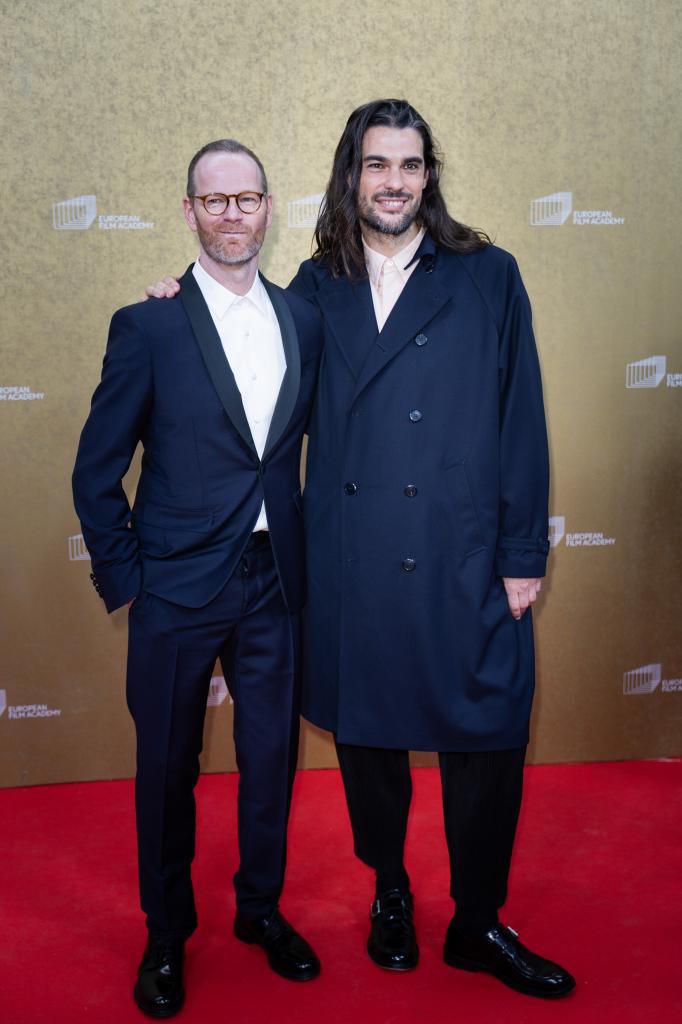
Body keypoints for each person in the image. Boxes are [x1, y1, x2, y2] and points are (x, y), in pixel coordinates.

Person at [146, 99, 575, 1000]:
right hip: (353, 557)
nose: (393, 182)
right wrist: (177, 304)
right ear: (352, 176)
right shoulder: (313, 286)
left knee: (488, 736)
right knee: (369, 738)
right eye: (376, 165)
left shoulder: (488, 275)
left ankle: (477, 920)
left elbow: (522, 420)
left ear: (430, 175)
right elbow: (241, 338)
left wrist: (522, 550)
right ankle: (390, 893)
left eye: (409, 165)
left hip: (463, 553)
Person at [73, 138, 322, 1019]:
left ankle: (260, 911)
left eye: (246, 198)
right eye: (213, 200)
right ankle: (167, 933)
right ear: (189, 211)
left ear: (266, 207)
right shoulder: (148, 324)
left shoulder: (303, 317)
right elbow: (94, 471)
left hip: (274, 585)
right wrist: (129, 579)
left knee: (270, 763)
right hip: (176, 589)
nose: (231, 214)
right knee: (167, 770)